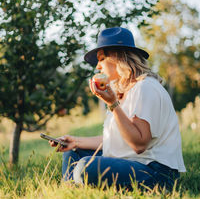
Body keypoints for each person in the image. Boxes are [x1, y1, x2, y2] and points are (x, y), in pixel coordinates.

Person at [50, 27, 186, 191]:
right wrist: (75, 141)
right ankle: (73, 191)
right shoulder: (125, 91)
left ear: (118, 58)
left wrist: (113, 104)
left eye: (101, 59)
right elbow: (116, 140)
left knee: (85, 167)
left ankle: (80, 185)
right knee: (74, 153)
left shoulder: (146, 87)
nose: (98, 67)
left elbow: (139, 144)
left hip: (155, 173)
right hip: (132, 163)